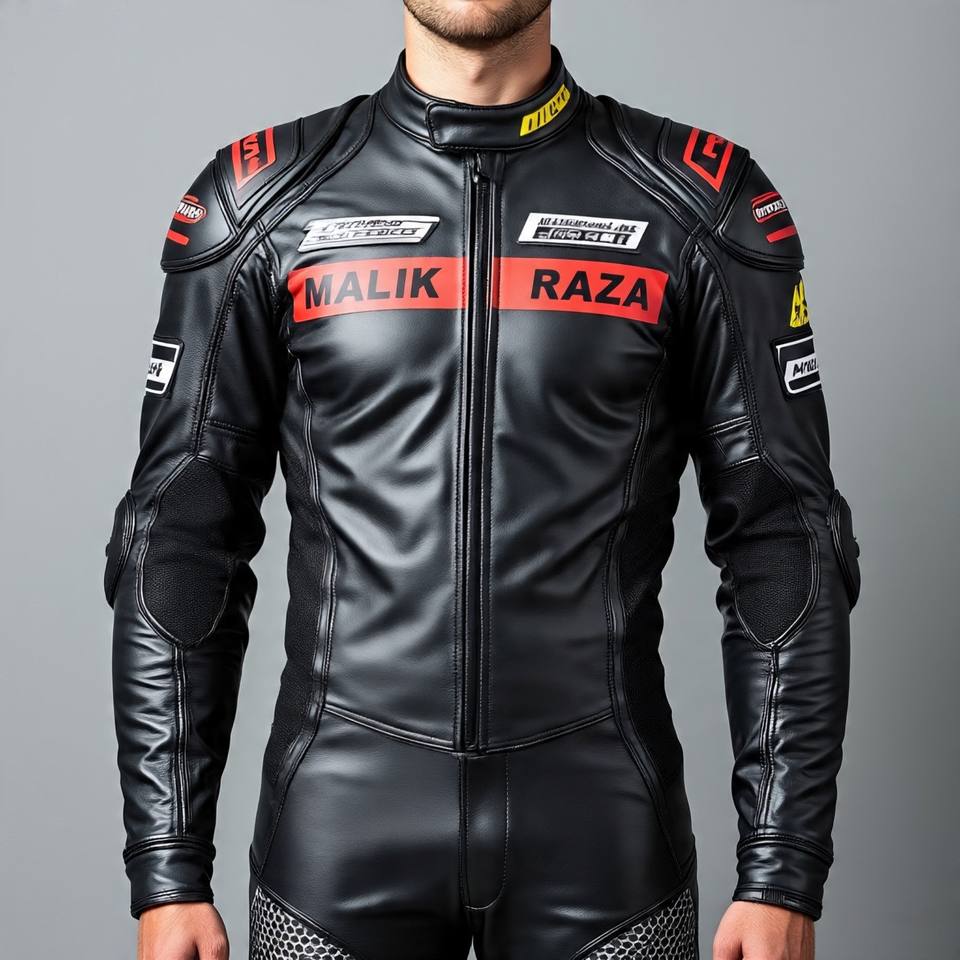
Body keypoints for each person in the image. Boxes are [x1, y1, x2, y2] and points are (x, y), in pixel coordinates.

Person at [104, 1, 860, 958]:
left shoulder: (699, 203)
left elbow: (783, 540)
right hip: (336, 833)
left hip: (604, 836)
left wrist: (782, 868)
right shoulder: (260, 203)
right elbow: (180, 535)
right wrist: (168, 867)